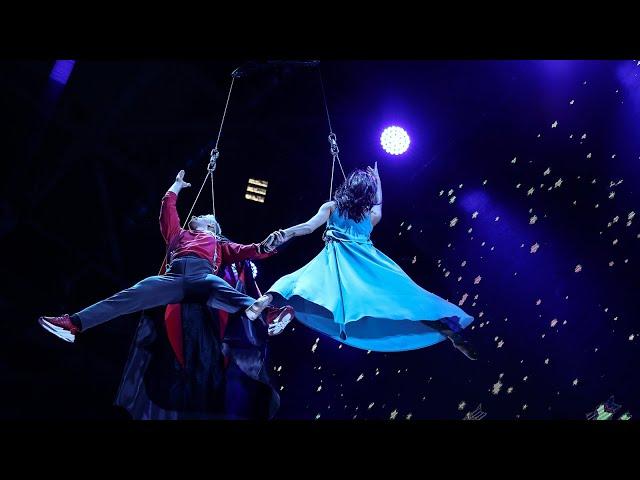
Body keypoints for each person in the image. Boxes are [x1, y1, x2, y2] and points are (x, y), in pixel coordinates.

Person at [38, 170, 294, 343]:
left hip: (202, 277)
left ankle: (269, 314)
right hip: (172, 278)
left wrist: (266, 246)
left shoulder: (219, 243)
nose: (199, 214)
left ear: (212, 226)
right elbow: (167, 209)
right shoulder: (178, 235)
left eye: (205, 215)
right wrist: (176, 186)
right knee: (128, 296)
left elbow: (248, 250)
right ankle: (73, 324)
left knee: (225, 290)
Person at [266, 162, 477, 359]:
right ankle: (447, 328)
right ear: (367, 194)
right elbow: (378, 204)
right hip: (373, 268)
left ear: (348, 187)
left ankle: (276, 308)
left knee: (307, 289)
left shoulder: (332, 207)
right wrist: (378, 181)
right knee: (406, 302)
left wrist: (285, 233)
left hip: (346, 272)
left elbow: (308, 227)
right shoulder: (372, 216)